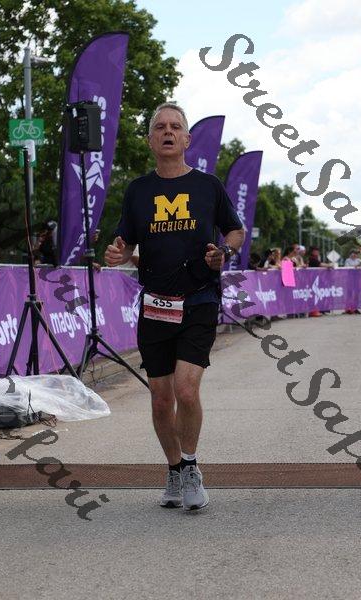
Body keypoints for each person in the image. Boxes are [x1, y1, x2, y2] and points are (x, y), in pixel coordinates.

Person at [104, 102, 245, 511]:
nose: (168, 132)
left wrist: (222, 252)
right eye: (160, 127)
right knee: (161, 398)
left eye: (175, 127)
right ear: (151, 140)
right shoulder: (138, 191)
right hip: (155, 304)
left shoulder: (208, 186)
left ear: (186, 139)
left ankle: (191, 466)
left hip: (199, 298)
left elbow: (235, 231)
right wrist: (118, 253)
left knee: (186, 388)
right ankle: (173, 470)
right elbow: (125, 243)